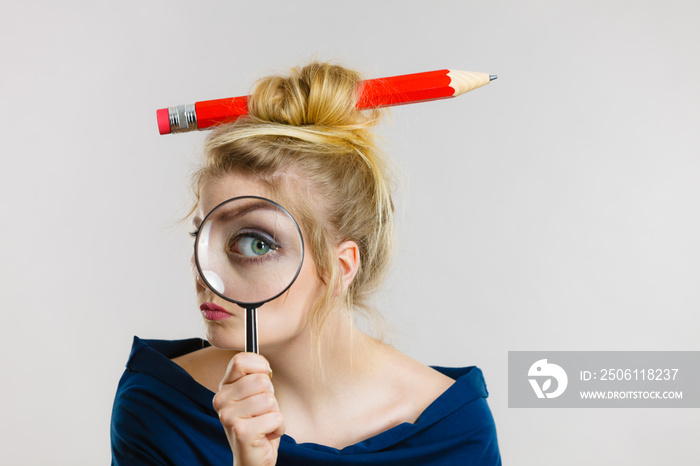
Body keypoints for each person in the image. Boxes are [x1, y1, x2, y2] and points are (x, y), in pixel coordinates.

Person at [111, 61, 501, 465]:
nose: (205, 275)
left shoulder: (451, 431)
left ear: (341, 267)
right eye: (203, 236)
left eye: (255, 244)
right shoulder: (158, 408)